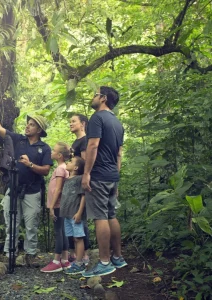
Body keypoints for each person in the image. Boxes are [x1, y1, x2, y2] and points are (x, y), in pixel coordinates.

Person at [0, 100, 53, 267]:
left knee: (31, 225)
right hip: (13, 189)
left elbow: (46, 170)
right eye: (28, 124)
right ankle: (9, 255)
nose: (27, 127)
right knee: (11, 222)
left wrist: (30, 165)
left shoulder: (44, 148)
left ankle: (30, 254)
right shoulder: (18, 140)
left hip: (33, 191)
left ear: (39, 130)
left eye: (32, 125)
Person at [81, 86, 127, 278]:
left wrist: (86, 173)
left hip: (98, 175)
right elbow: (119, 153)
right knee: (111, 215)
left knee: (100, 216)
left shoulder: (97, 118)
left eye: (95, 94)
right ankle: (118, 257)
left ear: (103, 98)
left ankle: (104, 262)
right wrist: (115, 176)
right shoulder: (117, 123)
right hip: (111, 175)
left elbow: (93, 145)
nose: (92, 97)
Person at [41, 142, 71, 273]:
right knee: (62, 231)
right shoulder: (65, 167)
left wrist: (51, 207)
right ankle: (65, 259)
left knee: (58, 231)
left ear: (59, 155)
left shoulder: (60, 169)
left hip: (58, 205)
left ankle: (56, 261)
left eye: (53, 150)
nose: (51, 152)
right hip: (62, 204)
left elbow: (58, 189)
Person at [59, 156, 87, 275]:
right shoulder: (67, 179)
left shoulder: (79, 179)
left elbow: (83, 196)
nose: (68, 162)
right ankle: (76, 261)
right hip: (67, 214)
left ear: (75, 167)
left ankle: (80, 263)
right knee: (74, 238)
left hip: (75, 214)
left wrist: (79, 213)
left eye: (70, 161)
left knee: (79, 238)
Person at [68, 114, 90, 265]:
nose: (70, 124)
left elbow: (84, 163)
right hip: (73, 184)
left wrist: (84, 181)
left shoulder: (84, 141)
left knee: (80, 218)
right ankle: (77, 253)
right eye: (70, 121)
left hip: (80, 184)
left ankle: (85, 254)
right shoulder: (76, 141)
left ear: (82, 124)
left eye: (73, 121)